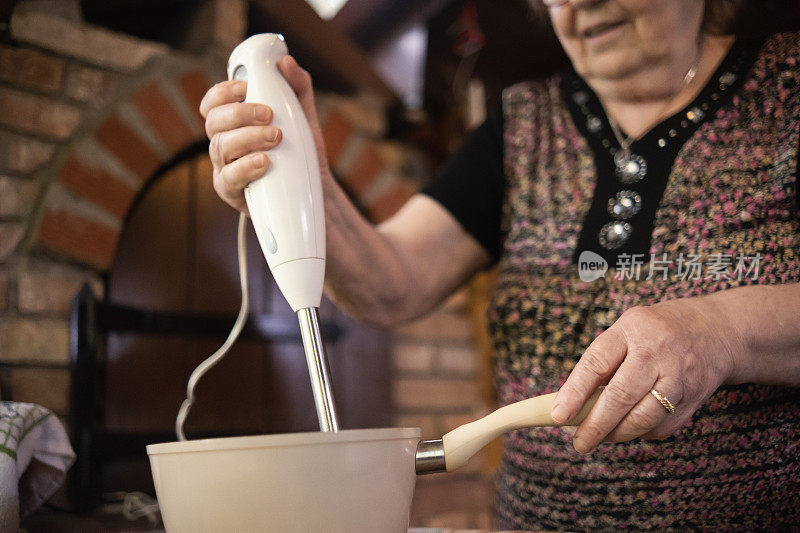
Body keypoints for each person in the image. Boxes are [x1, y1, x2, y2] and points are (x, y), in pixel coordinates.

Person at [199, 0, 800, 529]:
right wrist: (308, 180)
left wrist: (724, 330)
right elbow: (392, 284)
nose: (577, 3)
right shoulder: (523, 125)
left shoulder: (787, 86)